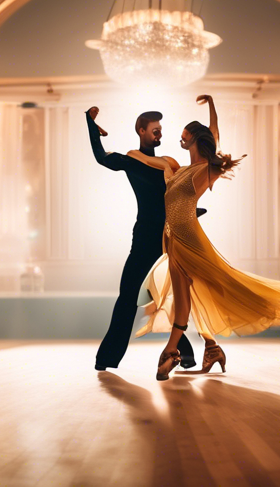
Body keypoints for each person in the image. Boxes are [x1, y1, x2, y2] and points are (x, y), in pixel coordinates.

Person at [126, 95, 280, 380]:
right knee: (191, 295)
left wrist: (212, 106)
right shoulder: (178, 170)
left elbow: (214, 134)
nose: (180, 141)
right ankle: (211, 348)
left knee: (215, 286)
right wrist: (126, 157)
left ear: (196, 139)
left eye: (185, 138)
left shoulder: (208, 169)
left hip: (190, 239)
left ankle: (173, 351)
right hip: (172, 239)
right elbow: (144, 158)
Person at [86, 107, 201, 371]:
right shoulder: (132, 161)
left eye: (161, 130)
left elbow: (183, 192)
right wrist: (91, 126)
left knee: (170, 294)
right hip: (144, 239)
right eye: (155, 130)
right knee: (128, 295)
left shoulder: (167, 163)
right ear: (142, 131)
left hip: (170, 237)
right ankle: (106, 359)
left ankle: (185, 354)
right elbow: (102, 157)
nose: (160, 134)